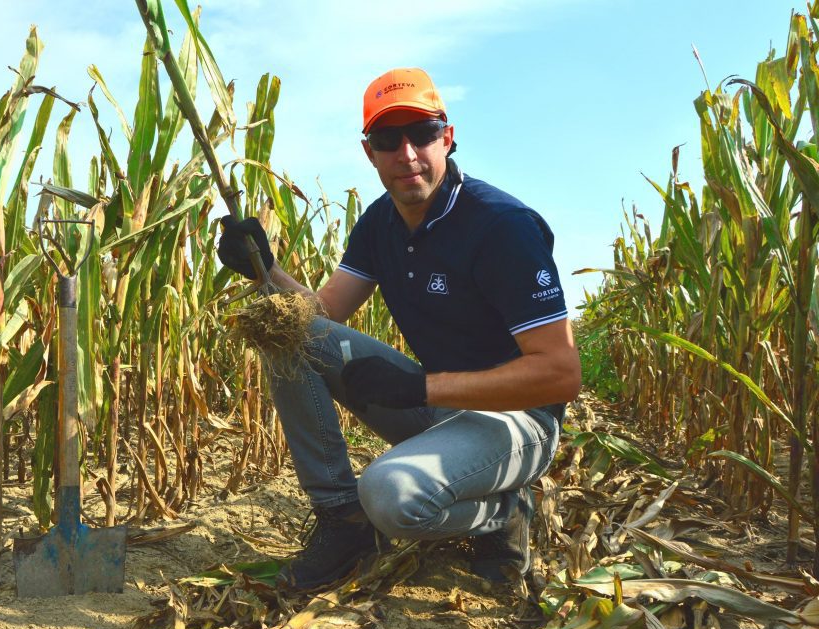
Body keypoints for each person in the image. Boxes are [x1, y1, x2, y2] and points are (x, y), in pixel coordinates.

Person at [218, 67, 581, 591]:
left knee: (390, 494)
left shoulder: (501, 226)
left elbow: (561, 376)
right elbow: (321, 314)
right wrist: (264, 270)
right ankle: (343, 520)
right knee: (287, 331)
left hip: (520, 422)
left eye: (423, 134)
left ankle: (504, 512)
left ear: (447, 138)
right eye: (389, 140)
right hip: (441, 407)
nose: (407, 154)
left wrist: (420, 387)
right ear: (370, 152)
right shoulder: (380, 223)